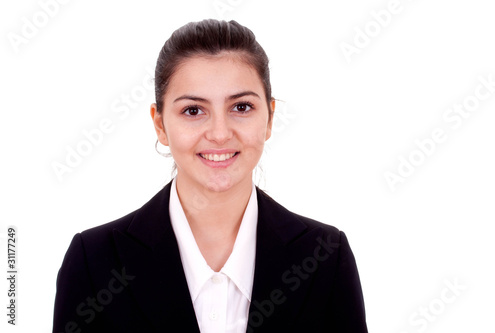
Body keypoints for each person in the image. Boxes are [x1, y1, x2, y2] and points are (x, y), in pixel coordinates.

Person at [52, 19, 368, 333]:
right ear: (160, 125)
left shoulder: (325, 256)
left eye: (241, 107)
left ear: (269, 118)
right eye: (193, 110)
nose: (219, 134)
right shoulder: (94, 262)